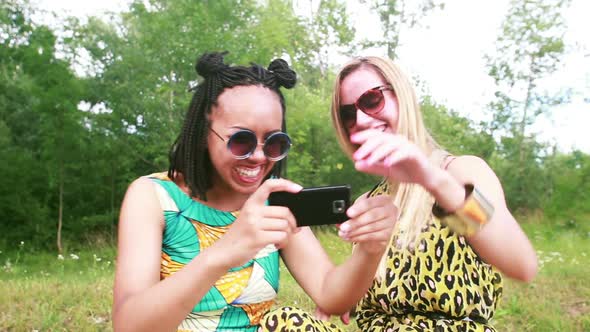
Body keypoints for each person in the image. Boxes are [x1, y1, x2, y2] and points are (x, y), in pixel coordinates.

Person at [111, 52, 397, 332]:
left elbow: (330, 294)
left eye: (273, 143)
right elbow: (129, 325)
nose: (259, 157)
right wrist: (226, 250)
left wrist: (370, 251)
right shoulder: (152, 196)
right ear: (202, 135)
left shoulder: (273, 202)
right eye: (241, 140)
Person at [315, 56, 538, 331]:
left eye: (371, 100)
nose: (360, 119)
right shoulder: (369, 202)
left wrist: (432, 180)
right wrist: (345, 295)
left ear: (402, 96)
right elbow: (362, 290)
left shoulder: (460, 173)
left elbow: (521, 264)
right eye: (348, 114)